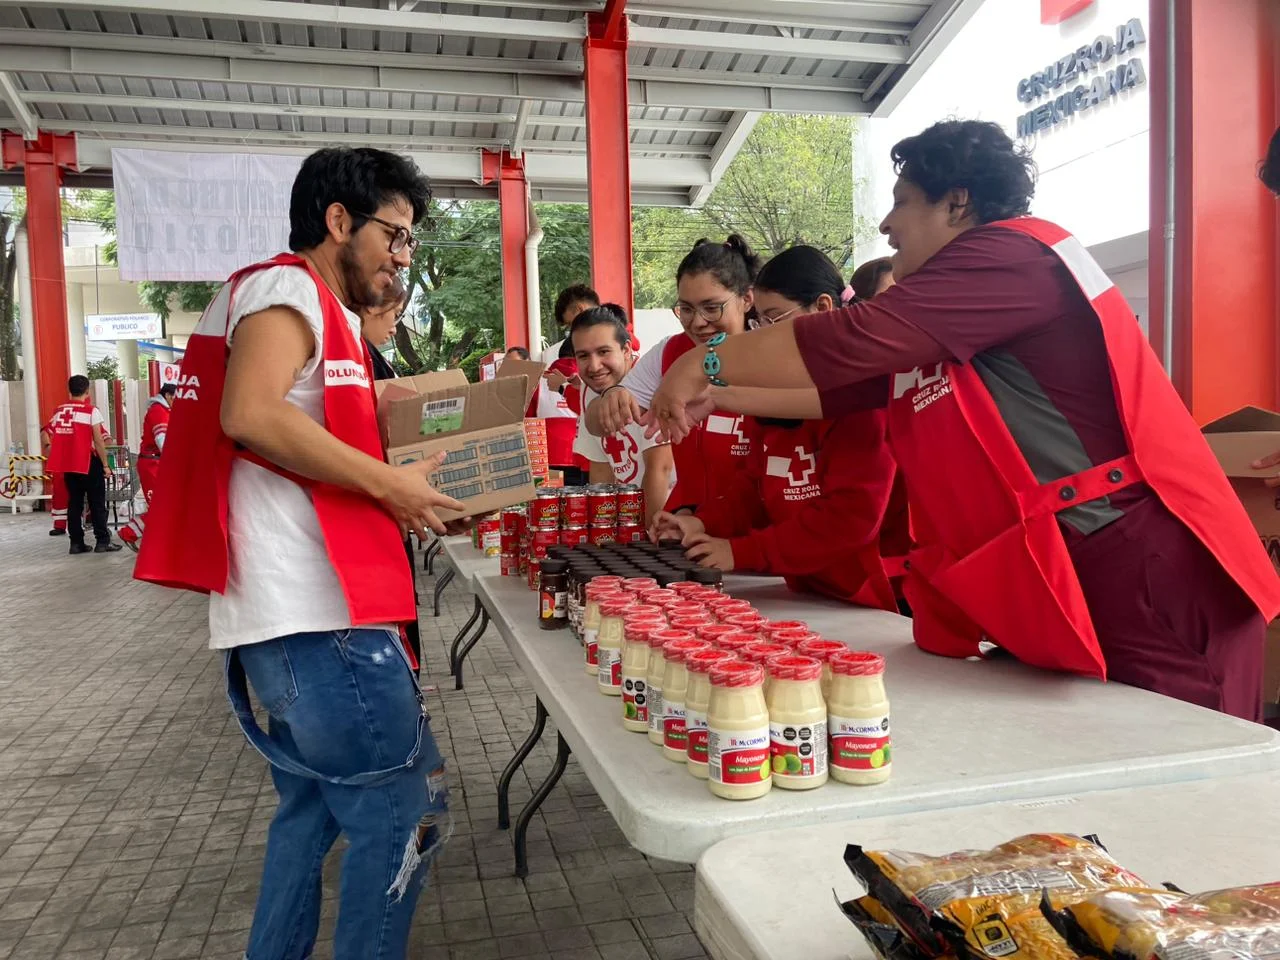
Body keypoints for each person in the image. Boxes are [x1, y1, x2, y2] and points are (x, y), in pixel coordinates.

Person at [647, 119, 1280, 721]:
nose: (886, 222)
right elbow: (845, 389)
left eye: (902, 201)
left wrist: (701, 366)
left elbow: (848, 342)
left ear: (957, 202)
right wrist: (723, 397)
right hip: (1080, 560)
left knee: (1186, 766)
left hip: (1147, 566)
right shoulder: (962, 302)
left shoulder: (1011, 256)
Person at [135, 146, 464, 959]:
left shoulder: (309, 303)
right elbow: (250, 413)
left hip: (295, 623)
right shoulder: (288, 287)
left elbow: (305, 422)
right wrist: (391, 487)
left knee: (312, 814)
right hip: (318, 621)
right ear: (339, 220)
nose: (402, 255)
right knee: (407, 809)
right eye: (396, 234)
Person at [650, 246, 908, 610]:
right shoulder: (771, 398)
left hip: (877, 602)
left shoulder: (862, 402)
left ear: (823, 309)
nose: (764, 340)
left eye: (775, 320)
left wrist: (740, 551)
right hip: (808, 593)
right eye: (761, 324)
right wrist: (700, 522)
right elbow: (754, 490)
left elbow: (850, 519)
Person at [585, 236, 760, 513]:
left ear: (747, 299)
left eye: (712, 308)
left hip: (757, 529)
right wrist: (612, 397)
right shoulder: (670, 352)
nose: (698, 322)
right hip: (688, 520)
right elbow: (596, 422)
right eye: (686, 309)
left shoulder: (773, 354)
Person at [570, 304, 674, 523]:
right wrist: (603, 531)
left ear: (626, 350)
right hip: (628, 519)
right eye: (583, 356)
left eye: (603, 352)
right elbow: (600, 467)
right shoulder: (589, 392)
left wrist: (646, 538)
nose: (594, 366)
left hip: (671, 519)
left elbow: (660, 470)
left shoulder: (649, 384)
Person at [45, 375, 121, 555]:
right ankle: (102, 541)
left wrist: (51, 449)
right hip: (88, 463)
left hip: (69, 465)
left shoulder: (59, 411)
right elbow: (98, 440)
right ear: (87, 391)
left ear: (69, 390)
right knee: (97, 503)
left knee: (75, 504)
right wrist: (105, 465)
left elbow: (46, 432)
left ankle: (76, 543)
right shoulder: (90, 411)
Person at [118, 382, 177, 552]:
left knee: (165, 505)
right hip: (153, 464)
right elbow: (162, 441)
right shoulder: (159, 411)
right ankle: (130, 532)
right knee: (162, 506)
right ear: (168, 395)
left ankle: (136, 534)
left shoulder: (163, 411)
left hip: (155, 463)